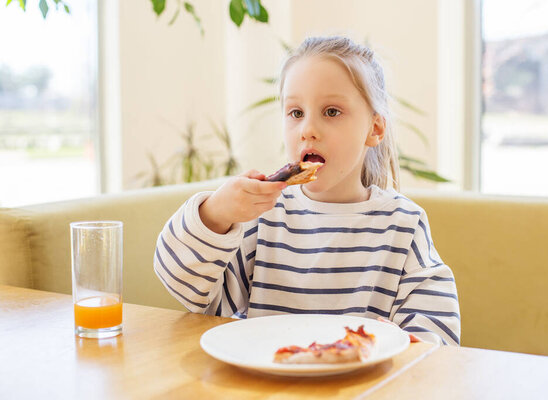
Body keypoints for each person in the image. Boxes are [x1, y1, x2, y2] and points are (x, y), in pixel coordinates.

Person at [154, 36, 460, 345]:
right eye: (296, 113)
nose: (307, 130)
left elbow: (439, 337)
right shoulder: (263, 216)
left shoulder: (403, 223)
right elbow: (193, 294)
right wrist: (215, 213)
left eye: (331, 112)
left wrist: (402, 341)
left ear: (374, 128)